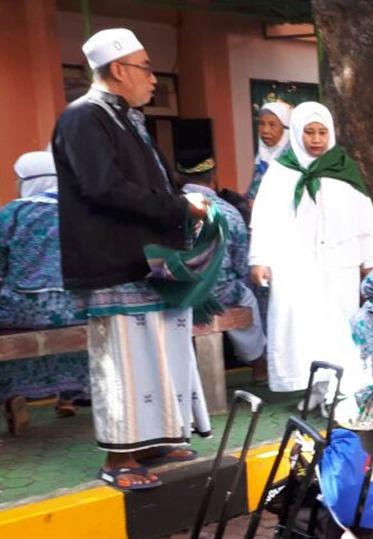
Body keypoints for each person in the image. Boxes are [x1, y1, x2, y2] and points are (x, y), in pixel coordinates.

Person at [54, 28, 212, 489]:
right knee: (124, 359)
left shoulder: (126, 117)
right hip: (112, 260)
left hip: (147, 258)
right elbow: (104, 186)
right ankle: (120, 458)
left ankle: (155, 439)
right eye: (146, 69)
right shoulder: (84, 117)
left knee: (157, 351)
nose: (153, 80)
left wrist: (184, 204)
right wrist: (179, 207)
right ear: (118, 70)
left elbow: (154, 183)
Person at [248, 101, 373, 395]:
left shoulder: (343, 169)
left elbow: (364, 218)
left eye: (322, 132)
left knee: (339, 326)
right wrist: (259, 258)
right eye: (309, 132)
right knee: (301, 328)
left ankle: (338, 391)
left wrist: (371, 260)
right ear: (297, 132)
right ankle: (313, 390)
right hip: (295, 265)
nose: (316, 139)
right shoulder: (280, 172)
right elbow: (264, 219)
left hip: (339, 265)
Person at [0, 152, 90, 434]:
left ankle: (13, 395)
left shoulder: (12, 213)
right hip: (78, 307)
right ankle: (75, 393)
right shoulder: (83, 212)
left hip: (21, 309)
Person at [176, 156, 268, 380]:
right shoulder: (229, 211)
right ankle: (258, 365)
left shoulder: (168, 208)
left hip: (178, 292)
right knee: (246, 298)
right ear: (213, 178)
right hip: (220, 290)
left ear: (178, 179)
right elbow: (240, 263)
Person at [246, 101, 291, 203]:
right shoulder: (261, 157)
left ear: (285, 128)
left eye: (272, 125)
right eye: (262, 124)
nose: (265, 130)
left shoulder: (292, 160)